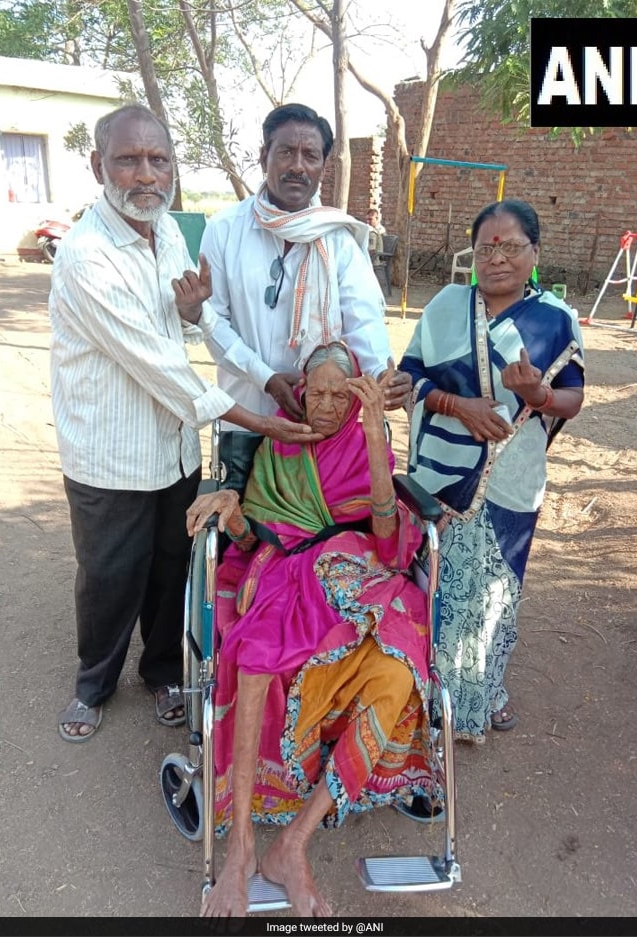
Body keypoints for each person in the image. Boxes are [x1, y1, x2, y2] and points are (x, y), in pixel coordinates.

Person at [50, 104, 322, 743]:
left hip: (173, 446)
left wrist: (195, 314)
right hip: (110, 451)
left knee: (174, 562)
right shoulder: (87, 256)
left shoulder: (168, 231)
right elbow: (159, 368)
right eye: (128, 159)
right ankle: (94, 682)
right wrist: (262, 420)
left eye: (158, 160)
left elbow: (172, 329)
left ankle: (163, 672)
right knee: (112, 571)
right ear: (99, 166)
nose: (146, 174)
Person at [185, 342, 437, 917]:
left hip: (357, 567)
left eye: (335, 394)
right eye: (314, 392)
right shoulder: (281, 440)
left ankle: (294, 842)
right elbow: (251, 540)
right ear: (300, 390)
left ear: (354, 395)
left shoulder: (363, 434)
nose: (323, 405)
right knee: (255, 656)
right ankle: (243, 846)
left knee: (399, 667)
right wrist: (232, 507)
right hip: (285, 569)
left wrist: (376, 436)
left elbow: (384, 535)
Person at [399, 199, 585, 752]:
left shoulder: (554, 318)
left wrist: (540, 394)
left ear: (535, 252)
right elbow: (410, 377)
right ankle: (430, 691)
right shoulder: (445, 306)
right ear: (472, 252)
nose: (497, 257)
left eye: (510, 246)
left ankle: (486, 687)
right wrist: (458, 406)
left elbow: (573, 397)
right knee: (436, 583)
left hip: (512, 474)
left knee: (499, 588)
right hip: (442, 473)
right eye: (486, 247)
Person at [191, 103, 410, 494]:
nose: (298, 166)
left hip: (319, 428)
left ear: (323, 166)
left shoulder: (338, 238)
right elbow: (213, 323)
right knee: (241, 539)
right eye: (286, 152)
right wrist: (268, 379)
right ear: (264, 157)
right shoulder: (224, 230)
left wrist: (381, 376)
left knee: (313, 542)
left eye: (310, 155)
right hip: (246, 419)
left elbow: (363, 320)